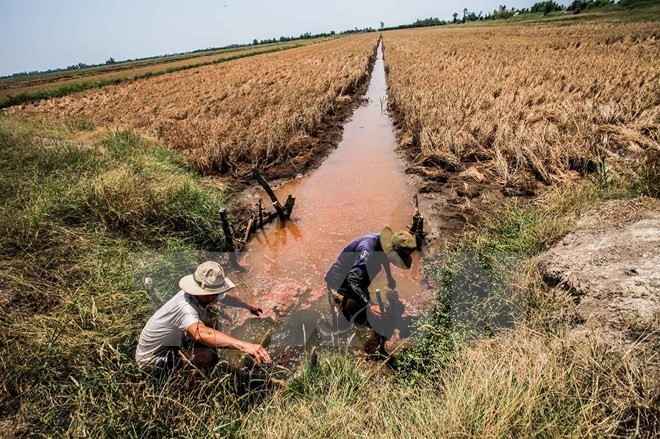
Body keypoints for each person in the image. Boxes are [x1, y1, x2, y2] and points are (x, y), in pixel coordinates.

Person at [136, 261, 271, 372]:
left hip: (172, 343)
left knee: (214, 325)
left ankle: (209, 364)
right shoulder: (186, 307)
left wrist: (248, 306)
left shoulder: (199, 295)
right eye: (214, 294)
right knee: (204, 356)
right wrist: (244, 345)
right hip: (152, 360)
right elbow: (199, 333)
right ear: (201, 292)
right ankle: (190, 389)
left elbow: (225, 297)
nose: (217, 297)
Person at [324, 227, 417, 356]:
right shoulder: (367, 250)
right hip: (340, 283)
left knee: (364, 312)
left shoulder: (384, 244)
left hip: (358, 281)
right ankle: (336, 344)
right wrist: (370, 306)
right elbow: (352, 281)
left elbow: (385, 259)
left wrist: (390, 277)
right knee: (343, 320)